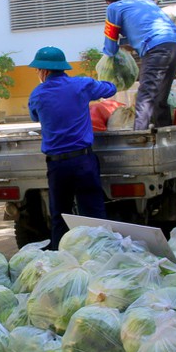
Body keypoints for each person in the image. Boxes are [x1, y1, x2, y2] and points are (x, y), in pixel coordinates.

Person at [27, 46, 117, 249]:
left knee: (60, 216)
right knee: (94, 214)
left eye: (37, 70)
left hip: (57, 166)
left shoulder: (37, 94)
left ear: (45, 71)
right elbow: (110, 89)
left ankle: (60, 259)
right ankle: (102, 253)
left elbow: (35, 116)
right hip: (83, 161)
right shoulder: (82, 85)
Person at [102, 0, 176, 129]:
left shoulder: (114, 8)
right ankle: (165, 133)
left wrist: (110, 59)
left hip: (156, 48)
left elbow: (110, 45)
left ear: (109, 2)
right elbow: (142, 28)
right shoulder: (147, 3)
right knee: (160, 96)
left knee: (145, 96)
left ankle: (139, 136)